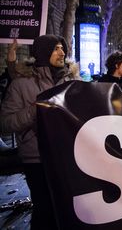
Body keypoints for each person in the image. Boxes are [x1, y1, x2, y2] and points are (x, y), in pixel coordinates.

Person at [0, 35, 81, 229]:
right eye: (56, 49)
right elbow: (5, 123)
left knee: (70, 208)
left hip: (70, 155)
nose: (62, 53)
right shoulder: (21, 84)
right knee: (45, 210)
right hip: (37, 159)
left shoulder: (72, 81)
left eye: (62, 48)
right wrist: (37, 109)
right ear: (43, 53)